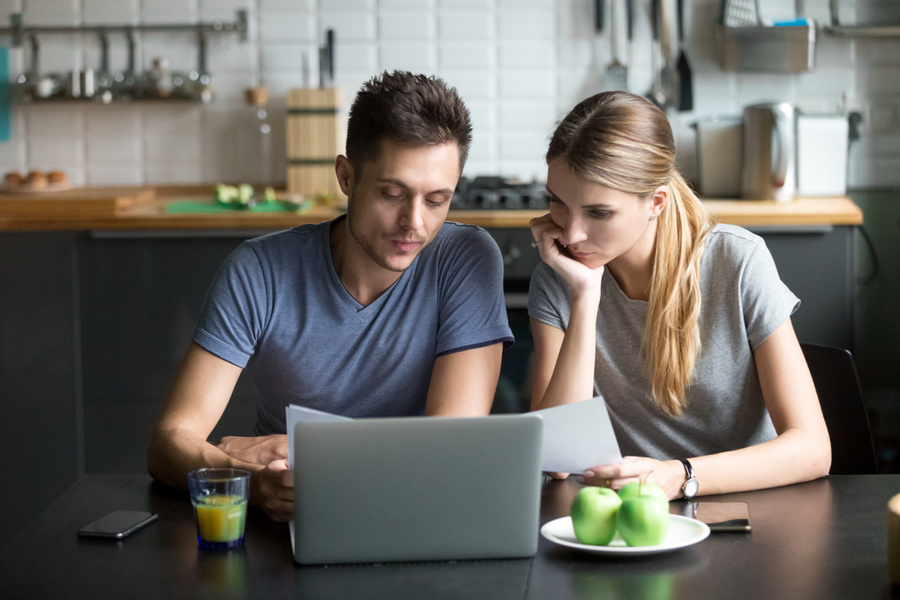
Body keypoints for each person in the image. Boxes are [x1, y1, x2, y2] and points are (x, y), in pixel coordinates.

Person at [148, 71, 514, 521]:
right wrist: (251, 481)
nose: (414, 223)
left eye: (437, 199)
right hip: (289, 520)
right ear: (346, 176)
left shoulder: (467, 259)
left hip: (415, 515)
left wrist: (306, 449)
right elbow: (169, 442)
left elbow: (451, 449)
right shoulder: (259, 270)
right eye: (392, 193)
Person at [528, 91, 831, 499]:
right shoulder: (560, 278)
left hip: (747, 510)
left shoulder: (736, 261)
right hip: (628, 515)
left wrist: (680, 475)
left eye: (598, 212)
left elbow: (813, 450)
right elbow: (555, 460)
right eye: (558, 203)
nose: (571, 233)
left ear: (655, 202)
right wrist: (584, 298)